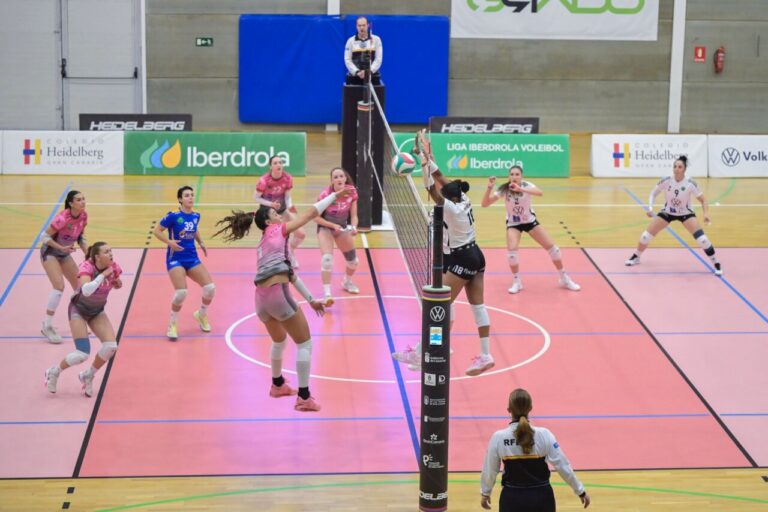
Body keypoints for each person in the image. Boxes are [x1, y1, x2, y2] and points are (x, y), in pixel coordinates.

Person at [212, 187, 352, 412]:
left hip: (261, 301)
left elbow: (290, 274)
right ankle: (304, 398)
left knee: (279, 341)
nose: (279, 217)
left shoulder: (262, 245)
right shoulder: (278, 230)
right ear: (269, 223)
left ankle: (277, 385)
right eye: (275, 215)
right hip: (278, 294)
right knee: (304, 343)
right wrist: (336, 196)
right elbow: (308, 215)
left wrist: (311, 299)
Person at [393, 131, 494, 376]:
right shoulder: (462, 197)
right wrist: (426, 157)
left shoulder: (450, 209)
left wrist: (421, 167)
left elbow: (431, 187)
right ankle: (485, 354)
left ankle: (422, 353)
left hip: (461, 259)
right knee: (475, 306)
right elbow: (439, 178)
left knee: (435, 306)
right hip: (476, 256)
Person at [481, 388, 591, 512]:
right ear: (530, 408)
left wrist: (486, 492)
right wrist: (580, 491)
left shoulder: (498, 438)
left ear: (509, 410)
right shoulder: (545, 434)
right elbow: (562, 465)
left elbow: (490, 469)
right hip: (542, 498)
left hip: (512, 499)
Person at [481, 166, 581, 294]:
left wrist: (521, 189)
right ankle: (517, 281)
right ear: (508, 176)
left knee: (553, 249)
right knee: (512, 253)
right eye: (512, 174)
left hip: (530, 222)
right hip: (514, 223)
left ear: (521, 176)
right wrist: (489, 187)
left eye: (517, 174)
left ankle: (564, 278)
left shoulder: (526, 185)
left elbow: (540, 193)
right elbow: (485, 204)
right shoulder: (504, 189)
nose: (514, 177)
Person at [44, 242, 123, 397]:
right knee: (82, 353)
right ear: (97, 257)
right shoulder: (87, 267)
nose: (111, 254)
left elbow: (116, 283)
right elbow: (86, 290)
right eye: (107, 252)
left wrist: (116, 283)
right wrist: (103, 275)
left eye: (111, 251)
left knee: (111, 346)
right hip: (78, 310)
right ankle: (53, 372)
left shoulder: (114, 267)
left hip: (96, 311)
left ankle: (88, 374)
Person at [625, 156, 722, 276]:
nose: (676, 169)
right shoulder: (666, 180)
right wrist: (650, 208)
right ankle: (637, 256)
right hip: (667, 212)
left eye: (680, 167)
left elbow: (704, 200)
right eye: (675, 166)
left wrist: (706, 215)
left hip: (686, 214)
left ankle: (716, 263)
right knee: (645, 236)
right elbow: (652, 194)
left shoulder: (690, 183)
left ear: (684, 169)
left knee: (703, 240)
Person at [153, 186, 216, 341]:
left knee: (210, 288)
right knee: (181, 292)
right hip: (175, 258)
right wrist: (169, 242)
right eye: (187, 195)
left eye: (192, 195)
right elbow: (156, 231)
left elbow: (194, 229)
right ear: (180, 199)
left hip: (192, 257)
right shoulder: (173, 216)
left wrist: (201, 242)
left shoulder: (196, 215)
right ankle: (172, 323)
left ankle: (201, 314)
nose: (190, 198)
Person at [40, 190, 89, 344]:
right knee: (59, 286)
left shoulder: (83, 216)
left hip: (64, 253)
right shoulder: (62, 218)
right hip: (51, 252)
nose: (83, 202)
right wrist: (61, 248)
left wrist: (88, 255)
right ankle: (47, 325)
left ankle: (77, 320)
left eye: (83, 199)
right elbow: (44, 237)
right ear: (71, 203)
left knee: (80, 287)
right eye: (79, 200)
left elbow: (80, 236)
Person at [314, 167, 360, 306]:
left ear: (345, 178)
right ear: (332, 181)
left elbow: (354, 215)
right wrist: (332, 225)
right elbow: (315, 217)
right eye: (336, 177)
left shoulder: (351, 192)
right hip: (325, 227)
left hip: (341, 228)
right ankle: (327, 294)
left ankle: (347, 281)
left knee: (353, 261)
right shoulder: (325, 195)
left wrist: (353, 227)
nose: (339, 179)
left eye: (341, 176)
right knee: (327, 260)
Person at [254, 155, 305, 268]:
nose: (278, 165)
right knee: (277, 240)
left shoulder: (287, 178)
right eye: (275, 163)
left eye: (280, 163)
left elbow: (287, 197)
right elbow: (256, 198)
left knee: (301, 234)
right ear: (270, 166)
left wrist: (290, 206)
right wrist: (270, 204)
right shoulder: (264, 180)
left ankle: (290, 250)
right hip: (269, 216)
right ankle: (273, 261)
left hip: (283, 211)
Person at [344, 16, 383, 85]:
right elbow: (347, 59)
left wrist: (370, 71)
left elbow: (378, 59)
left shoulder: (376, 40)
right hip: (355, 77)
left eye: (363, 25)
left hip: (372, 76)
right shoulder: (350, 41)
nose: (361, 28)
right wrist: (357, 72)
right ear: (356, 26)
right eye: (359, 25)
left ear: (368, 25)